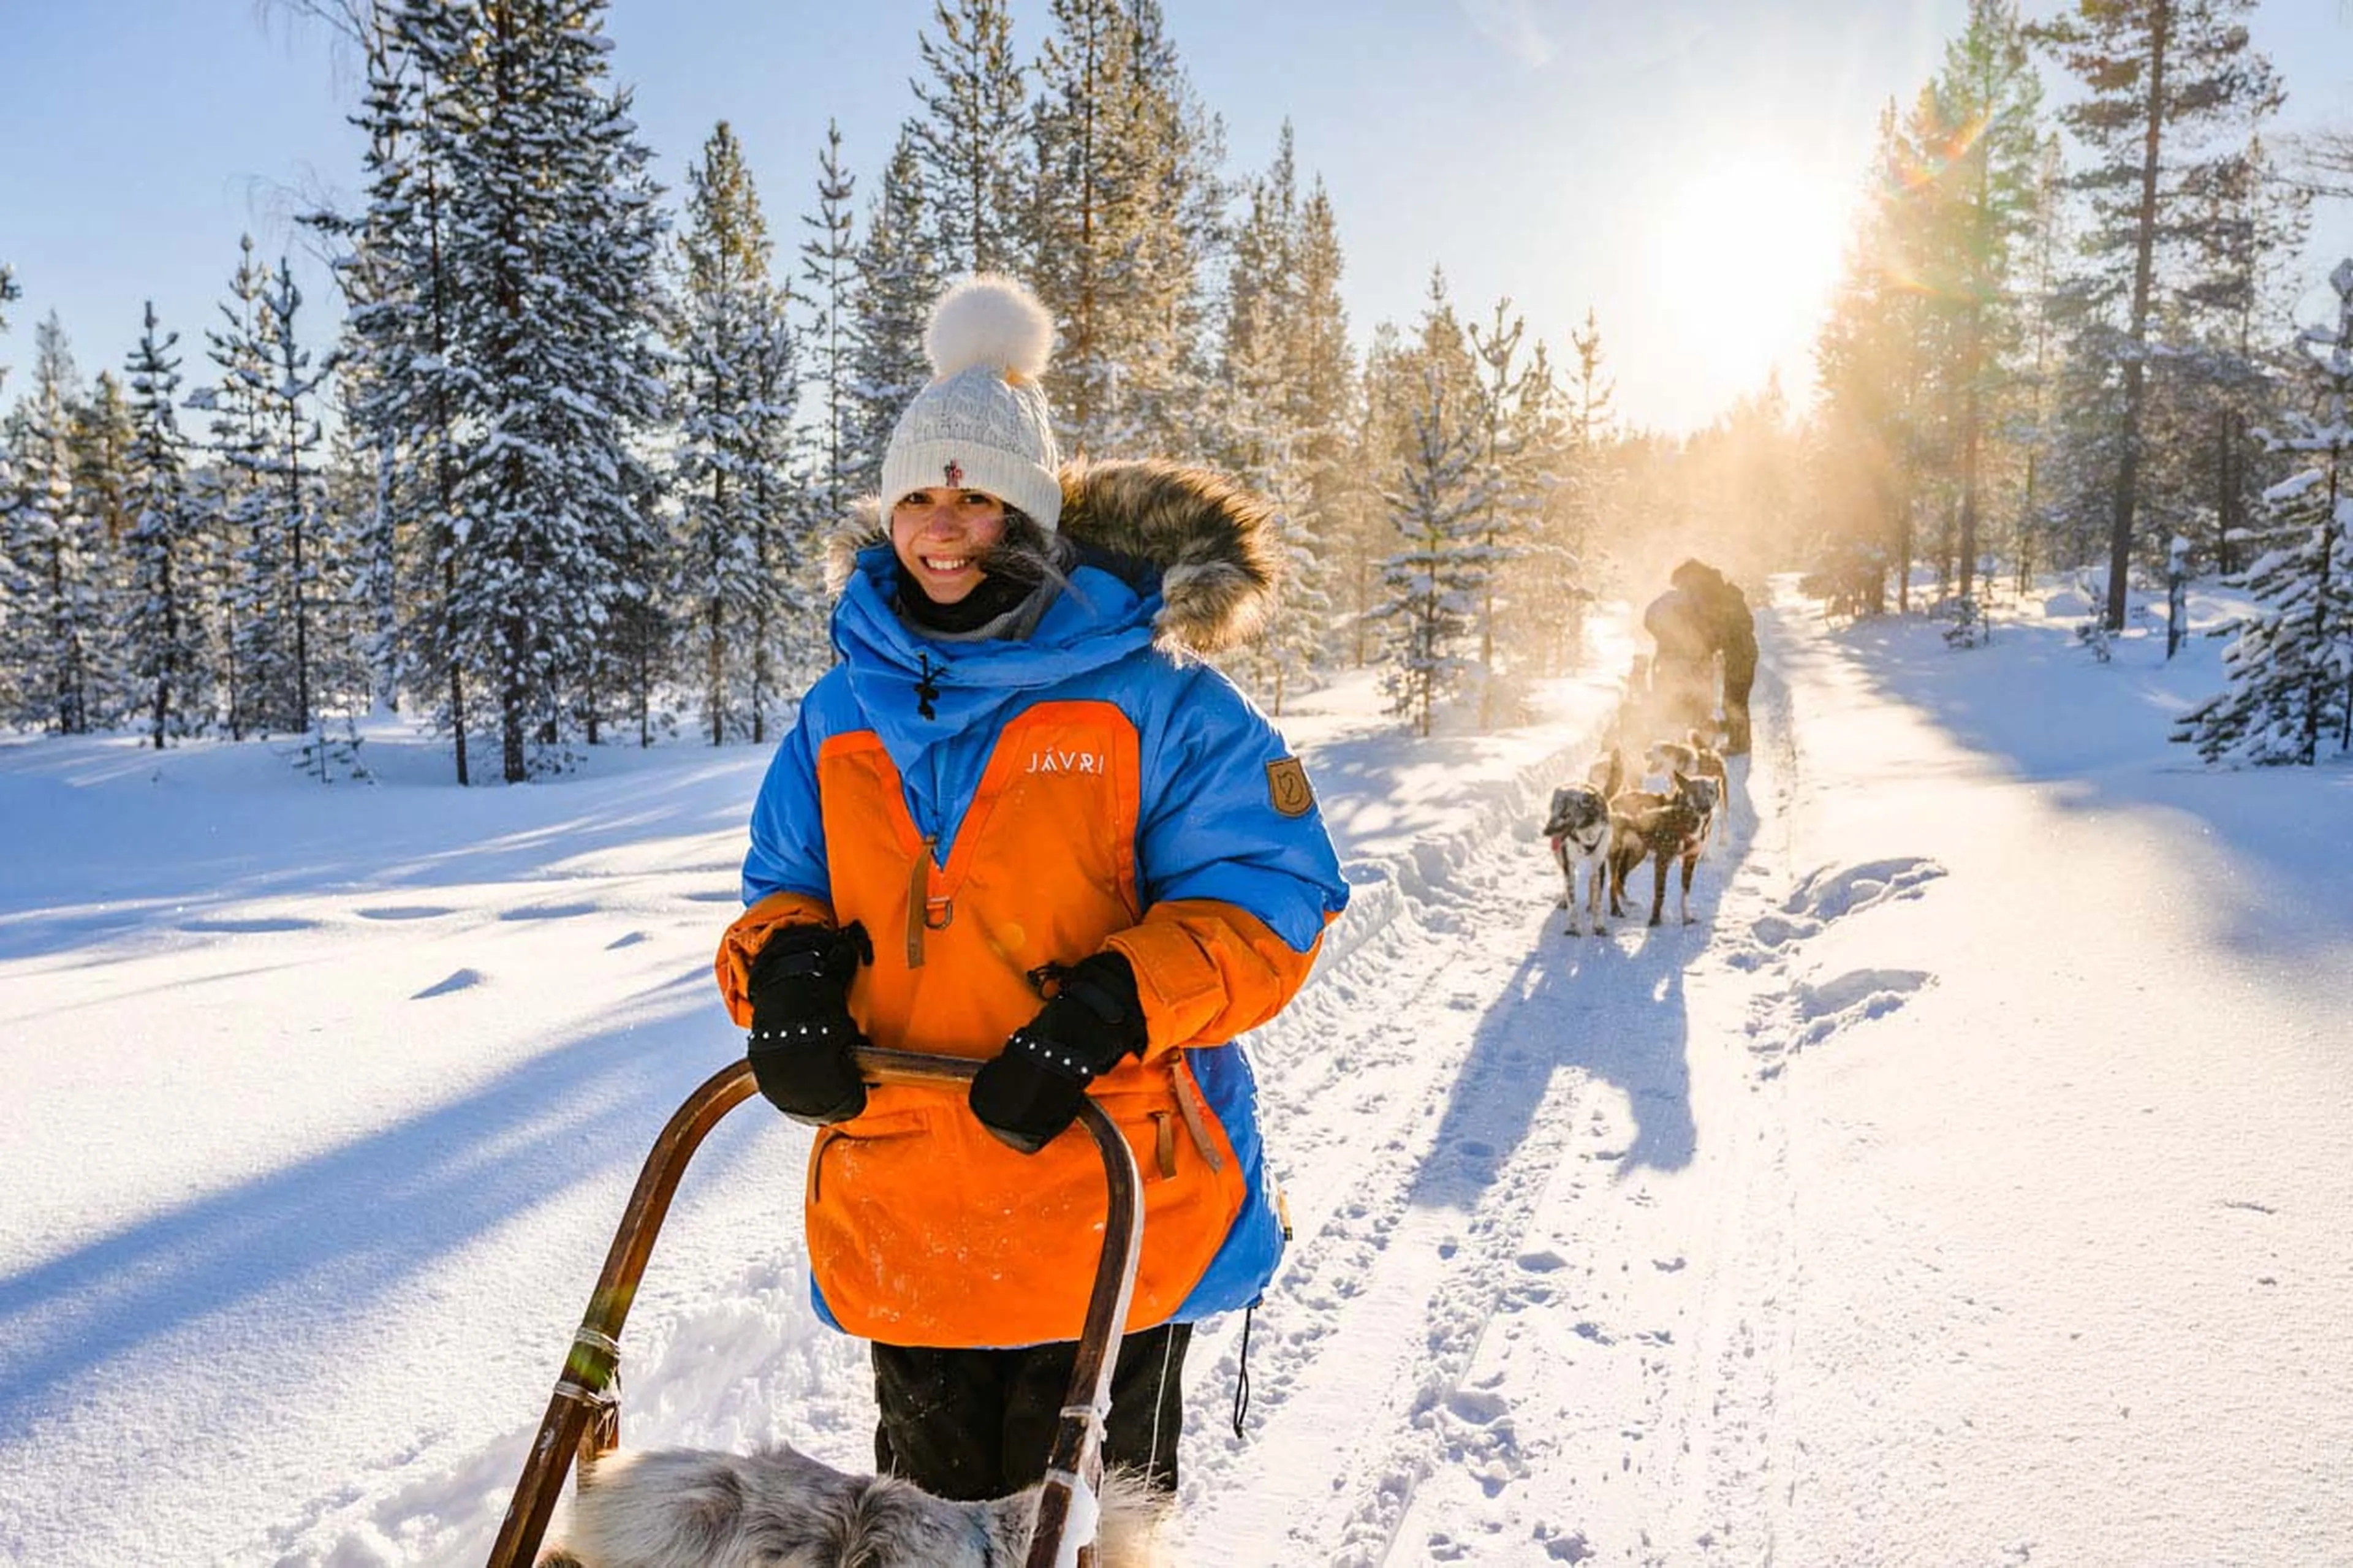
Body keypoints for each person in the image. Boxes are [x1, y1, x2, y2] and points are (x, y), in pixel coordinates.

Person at [712, 274, 1349, 1508]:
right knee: (933, 1534)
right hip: (913, 1196)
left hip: (1110, 1182)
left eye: (976, 499)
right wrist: (783, 972)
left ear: (1032, 513)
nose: (941, 528)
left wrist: (1110, 1001)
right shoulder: (838, 712)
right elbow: (785, 884)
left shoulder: (1155, 700)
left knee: (1083, 1536)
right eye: (916, 497)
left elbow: (1273, 895)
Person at [1669, 558, 1757, 754]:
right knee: (1734, 698)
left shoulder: (1713, 596)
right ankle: (1739, 740)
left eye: (1682, 585)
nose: (1683, 590)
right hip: (1741, 651)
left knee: (1734, 700)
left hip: (1741, 653)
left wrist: (1707, 648)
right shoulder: (1716, 591)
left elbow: (1722, 628)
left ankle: (1740, 744)